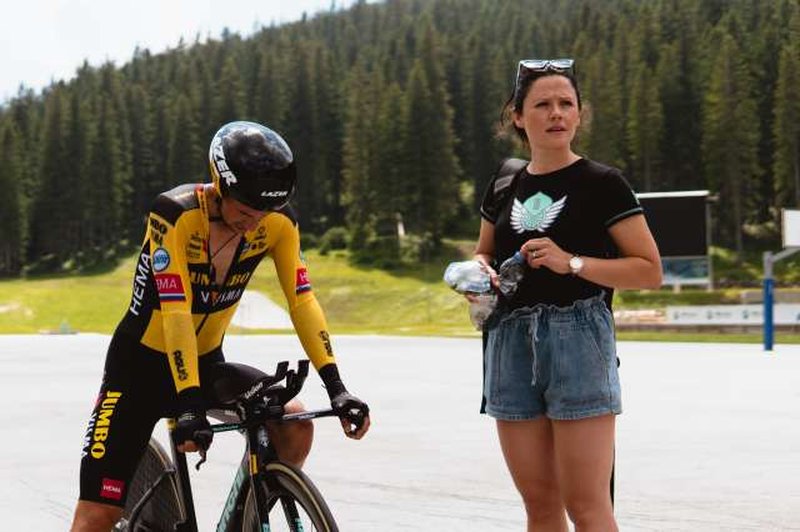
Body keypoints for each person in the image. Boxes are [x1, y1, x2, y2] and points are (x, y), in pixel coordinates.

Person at [70, 120, 371, 532]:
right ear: (219, 185)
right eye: (246, 211)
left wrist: (337, 386)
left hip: (207, 362)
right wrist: (188, 402)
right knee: (96, 515)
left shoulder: (278, 223)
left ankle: (245, 517)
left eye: (264, 213)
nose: (254, 222)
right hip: (138, 369)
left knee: (294, 424)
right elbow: (174, 309)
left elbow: (302, 300)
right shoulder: (174, 214)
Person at [473, 59, 661, 531]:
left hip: (578, 340)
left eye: (566, 104)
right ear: (518, 116)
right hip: (508, 342)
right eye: (542, 104)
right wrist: (475, 273)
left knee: (588, 505)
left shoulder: (602, 184)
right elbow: (484, 252)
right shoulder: (503, 183)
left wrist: (571, 262)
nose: (556, 113)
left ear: (578, 115)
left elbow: (648, 270)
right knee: (539, 504)